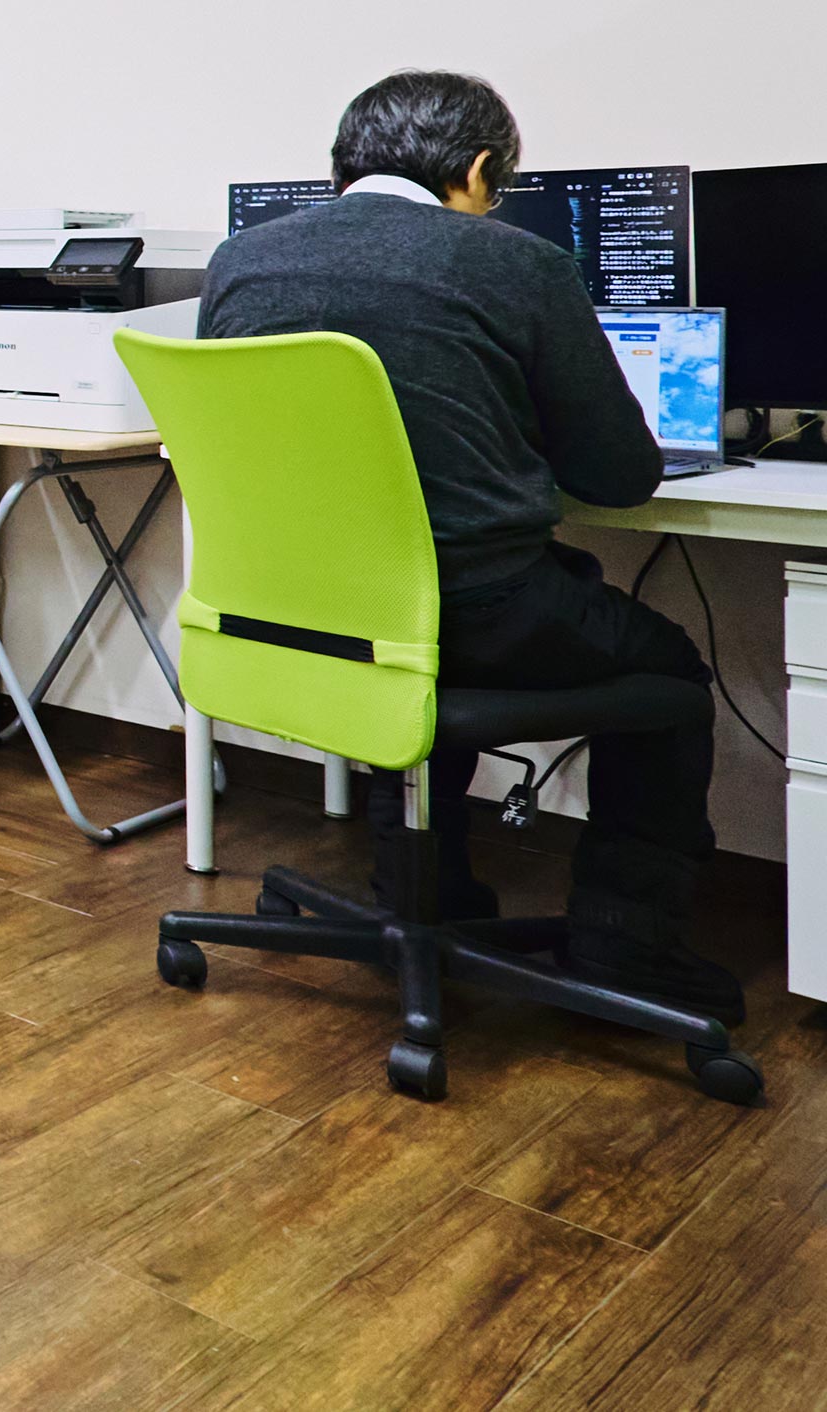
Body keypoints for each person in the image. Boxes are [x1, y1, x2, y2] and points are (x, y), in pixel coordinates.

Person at [197, 70, 740, 1023]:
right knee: (670, 675)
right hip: (473, 615)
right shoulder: (516, 263)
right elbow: (621, 477)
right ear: (480, 168)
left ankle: (423, 894)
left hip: (298, 615)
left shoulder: (239, 260)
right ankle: (626, 945)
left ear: (344, 165)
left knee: (413, 647)